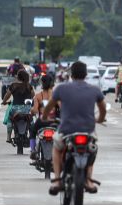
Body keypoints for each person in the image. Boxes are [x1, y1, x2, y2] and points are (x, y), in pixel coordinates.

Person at [42, 61, 106, 196]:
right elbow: (103, 109)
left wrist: (44, 117)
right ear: (86, 74)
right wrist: (99, 119)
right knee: (92, 150)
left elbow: (49, 106)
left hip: (66, 130)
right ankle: (88, 180)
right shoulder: (95, 90)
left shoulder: (61, 89)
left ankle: (57, 180)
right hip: (88, 130)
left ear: (71, 74)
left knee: (57, 148)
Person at [1, 69, 35, 143]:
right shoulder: (29, 86)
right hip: (26, 109)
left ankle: (8, 137)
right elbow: (33, 95)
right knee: (31, 120)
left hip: (15, 109)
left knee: (10, 118)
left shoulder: (13, 85)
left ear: (18, 77)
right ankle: (32, 136)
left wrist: (4, 102)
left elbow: (7, 95)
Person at [29, 74, 57, 159]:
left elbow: (35, 110)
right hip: (54, 122)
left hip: (41, 121)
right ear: (52, 83)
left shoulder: (37, 96)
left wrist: (32, 112)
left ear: (42, 83)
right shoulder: (57, 95)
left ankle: (33, 150)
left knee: (32, 131)